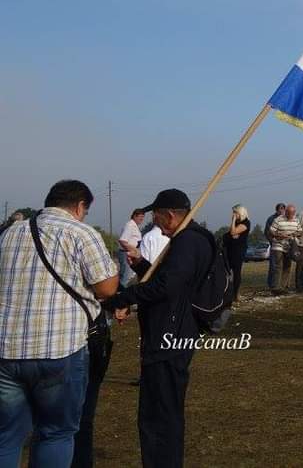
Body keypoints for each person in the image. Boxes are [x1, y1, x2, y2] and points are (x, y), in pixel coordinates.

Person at [0, 180, 118, 468]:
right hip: (59, 350)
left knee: (6, 435)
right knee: (55, 434)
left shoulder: (10, 233)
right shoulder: (81, 233)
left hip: (6, 348)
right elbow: (106, 289)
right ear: (80, 206)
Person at [103, 188, 215, 468]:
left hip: (169, 338)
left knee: (158, 415)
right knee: (166, 410)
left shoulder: (187, 241)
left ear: (170, 215)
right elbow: (171, 281)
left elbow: (167, 287)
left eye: (157, 216)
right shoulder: (194, 238)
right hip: (177, 332)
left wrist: (120, 298)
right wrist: (142, 265)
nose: (155, 221)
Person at [268, 204, 302, 294]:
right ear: (286, 212)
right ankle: (275, 287)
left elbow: (300, 232)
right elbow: (271, 231)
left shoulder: (296, 220)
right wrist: (280, 235)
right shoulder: (278, 219)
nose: (290, 216)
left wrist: (295, 234)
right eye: (288, 213)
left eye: (292, 214)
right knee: (278, 266)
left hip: (289, 246)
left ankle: (282, 287)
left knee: (287, 266)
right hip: (278, 245)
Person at [221, 205, 250, 307]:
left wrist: (233, 222)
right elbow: (232, 234)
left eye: (235, 213)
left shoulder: (246, 222)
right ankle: (226, 292)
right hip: (229, 250)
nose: (233, 215)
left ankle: (235, 295)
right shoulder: (237, 223)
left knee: (236, 273)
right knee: (227, 272)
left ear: (240, 213)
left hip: (238, 252)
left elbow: (233, 232)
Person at [118, 208, 146, 287]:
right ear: (134, 216)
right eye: (140, 217)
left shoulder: (134, 226)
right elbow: (122, 241)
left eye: (143, 217)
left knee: (127, 277)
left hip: (129, 254)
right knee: (126, 278)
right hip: (126, 254)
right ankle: (120, 295)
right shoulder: (130, 225)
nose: (142, 219)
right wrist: (134, 250)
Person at [263, 203, 285, 287]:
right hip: (275, 245)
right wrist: (272, 241)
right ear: (277, 210)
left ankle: (282, 284)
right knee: (273, 265)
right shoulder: (271, 219)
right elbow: (267, 232)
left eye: (283, 209)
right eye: (280, 208)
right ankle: (271, 284)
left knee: (283, 265)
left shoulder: (286, 218)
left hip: (284, 245)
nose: (282, 210)